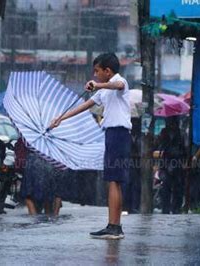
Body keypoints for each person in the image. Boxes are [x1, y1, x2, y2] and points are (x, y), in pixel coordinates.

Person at [50, 53, 131, 240]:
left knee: (113, 181)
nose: (95, 75)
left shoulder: (120, 82)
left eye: (97, 71)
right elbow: (85, 105)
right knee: (114, 181)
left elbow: (117, 85)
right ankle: (115, 226)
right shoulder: (103, 90)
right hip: (113, 134)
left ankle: (113, 226)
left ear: (107, 71)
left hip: (118, 133)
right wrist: (60, 118)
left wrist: (98, 85)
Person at [153, 116, 186, 214]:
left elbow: (183, 149)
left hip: (177, 162)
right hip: (166, 162)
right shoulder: (164, 133)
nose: (171, 124)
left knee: (178, 187)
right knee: (165, 187)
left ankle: (176, 208)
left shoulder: (181, 134)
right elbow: (159, 146)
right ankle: (166, 208)